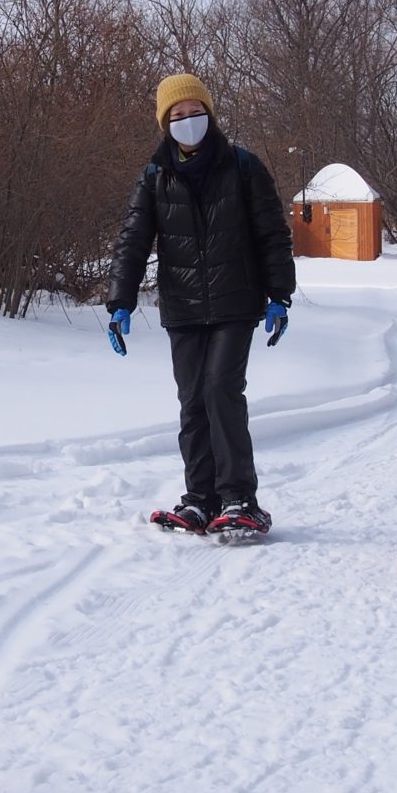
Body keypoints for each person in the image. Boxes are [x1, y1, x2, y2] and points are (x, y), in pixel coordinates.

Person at [106, 74, 296, 543]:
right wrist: (120, 301)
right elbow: (133, 240)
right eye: (178, 115)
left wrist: (280, 295)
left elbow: (272, 233)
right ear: (164, 123)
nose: (188, 121)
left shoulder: (243, 166)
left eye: (195, 112)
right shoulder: (155, 176)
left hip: (236, 300)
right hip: (183, 306)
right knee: (192, 400)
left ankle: (239, 499)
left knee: (220, 390)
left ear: (209, 114)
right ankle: (200, 499)